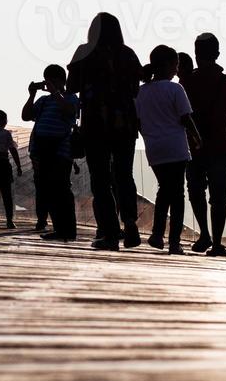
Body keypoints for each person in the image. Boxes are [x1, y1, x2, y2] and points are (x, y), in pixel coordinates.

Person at [67, 13, 143, 251]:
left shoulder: (84, 52)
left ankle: (110, 233)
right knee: (124, 175)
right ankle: (130, 221)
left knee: (101, 181)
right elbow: (135, 88)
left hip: (96, 125)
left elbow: (71, 87)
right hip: (124, 124)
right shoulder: (127, 53)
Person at [136, 45, 202, 255]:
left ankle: (157, 233)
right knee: (177, 194)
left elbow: (138, 122)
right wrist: (197, 138)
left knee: (164, 188)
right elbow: (185, 118)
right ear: (167, 65)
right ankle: (174, 241)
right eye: (175, 65)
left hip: (154, 149)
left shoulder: (141, 91)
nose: (177, 70)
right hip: (175, 147)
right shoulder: (175, 89)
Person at [182, 32, 226, 258]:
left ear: (196, 54)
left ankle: (204, 233)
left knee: (195, 191)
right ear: (217, 53)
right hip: (220, 147)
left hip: (194, 147)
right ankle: (216, 242)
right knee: (218, 196)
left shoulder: (186, 82)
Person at [22, 64, 80, 243]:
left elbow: (71, 112)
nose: (50, 84)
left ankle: (68, 229)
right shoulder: (44, 101)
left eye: (54, 80)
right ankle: (58, 228)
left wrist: (56, 92)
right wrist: (32, 94)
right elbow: (26, 115)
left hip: (61, 151)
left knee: (62, 189)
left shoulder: (71, 98)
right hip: (42, 150)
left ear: (62, 81)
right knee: (48, 190)